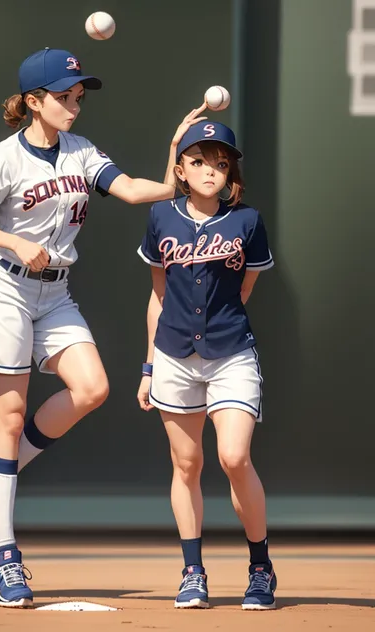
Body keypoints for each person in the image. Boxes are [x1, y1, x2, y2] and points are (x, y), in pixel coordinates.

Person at [0, 47, 175, 608]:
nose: (73, 103)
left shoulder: (80, 151)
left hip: (54, 293)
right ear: (33, 101)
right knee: (6, 415)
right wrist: (12, 239)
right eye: (62, 95)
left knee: (92, 389)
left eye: (78, 95)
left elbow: (127, 190)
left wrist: (178, 178)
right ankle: (6, 558)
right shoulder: (6, 157)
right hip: (1, 288)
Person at [136, 107, 277, 610]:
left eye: (221, 160)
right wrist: (149, 366)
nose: (211, 168)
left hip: (230, 352)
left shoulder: (247, 221)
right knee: (187, 462)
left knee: (234, 456)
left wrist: (215, 324)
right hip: (173, 354)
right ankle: (193, 570)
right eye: (199, 159)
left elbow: (245, 287)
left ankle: (260, 565)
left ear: (230, 173)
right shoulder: (160, 216)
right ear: (180, 169)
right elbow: (158, 295)